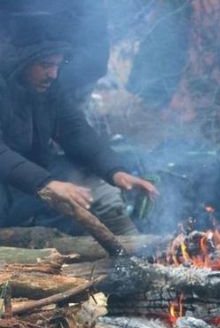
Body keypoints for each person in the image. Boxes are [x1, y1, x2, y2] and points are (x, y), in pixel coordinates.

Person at [0, 18, 158, 235]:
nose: (53, 74)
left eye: (57, 65)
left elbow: (75, 130)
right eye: (45, 65)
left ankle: (135, 251)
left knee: (98, 187)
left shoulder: (50, 89)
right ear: (22, 62)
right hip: (7, 184)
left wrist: (114, 171)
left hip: (33, 175)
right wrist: (45, 184)